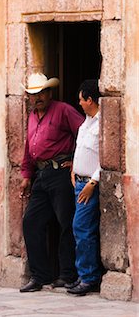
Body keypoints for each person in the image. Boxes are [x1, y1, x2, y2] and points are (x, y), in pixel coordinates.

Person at [19, 72, 84, 293]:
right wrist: (26, 175)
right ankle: (40, 275)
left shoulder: (64, 110)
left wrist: (76, 161)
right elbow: (29, 148)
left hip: (61, 173)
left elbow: (84, 133)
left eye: (40, 93)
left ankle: (67, 274)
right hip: (41, 175)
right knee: (31, 222)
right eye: (32, 95)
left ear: (49, 93)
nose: (36, 98)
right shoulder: (31, 116)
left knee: (66, 223)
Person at [67, 79, 102, 296]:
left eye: (81, 99)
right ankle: (84, 274)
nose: (79, 103)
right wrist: (73, 169)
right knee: (81, 228)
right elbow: (81, 150)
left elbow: (104, 159)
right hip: (78, 183)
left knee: (82, 228)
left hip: (89, 185)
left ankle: (89, 277)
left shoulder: (101, 124)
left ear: (90, 99)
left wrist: (92, 182)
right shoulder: (85, 124)